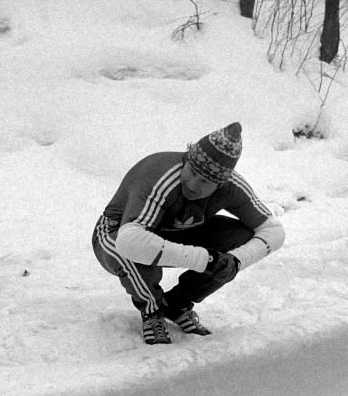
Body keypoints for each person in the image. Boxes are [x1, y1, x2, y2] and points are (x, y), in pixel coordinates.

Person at [91, 122, 285, 344]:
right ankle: (152, 311)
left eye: (204, 181)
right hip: (116, 232)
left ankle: (176, 304)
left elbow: (273, 231)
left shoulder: (231, 186)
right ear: (187, 160)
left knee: (243, 238)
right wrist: (204, 259)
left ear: (220, 185)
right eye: (191, 172)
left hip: (170, 232)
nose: (193, 184)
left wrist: (235, 261)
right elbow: (130, 240)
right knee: (131, 250)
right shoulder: (160, 176)